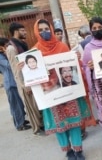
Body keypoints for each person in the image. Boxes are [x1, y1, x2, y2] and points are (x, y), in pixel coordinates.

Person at [31, 19, 91, 160]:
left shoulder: (62, 47)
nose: (44, 32)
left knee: (74, 121)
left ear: (51, 29)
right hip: (51, 94)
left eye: (46, 28)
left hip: (68, 92)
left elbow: (73, 67)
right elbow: (32, 74)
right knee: (59, 124)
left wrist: (75, 59)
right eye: (40, 30)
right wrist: (26, 68)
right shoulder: (34, 52)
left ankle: (78, 150)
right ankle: (68, 151)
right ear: (36, 32)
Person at [6, 22, 44, 135]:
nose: (25, 32)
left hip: (31, 78)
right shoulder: (11, 48)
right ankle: (37, 129)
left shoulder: (22, 44)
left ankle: (41, 125)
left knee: (36, 105)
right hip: (24, 82)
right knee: (30, 107)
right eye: (22, 30)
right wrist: (24, 85)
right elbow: (15, 69)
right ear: (16, 31)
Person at [0, 37, 31, 131]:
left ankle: (21, 120)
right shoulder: (1, 56)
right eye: (5, 45)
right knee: (15, 105)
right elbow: (10, 66)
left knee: (19, 104)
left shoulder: (3, 54)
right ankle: (19, 124)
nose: (7, 47)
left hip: (14, 82)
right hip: (10, 83)